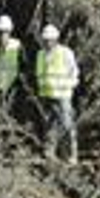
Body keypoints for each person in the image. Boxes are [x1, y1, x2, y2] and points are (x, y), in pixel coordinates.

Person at [35, 23, 80, 164]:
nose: (47, 43)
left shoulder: (65, 53)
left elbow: (74, 72)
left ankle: (70, 155)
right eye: (45, 40)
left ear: (56, 39)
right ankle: (49, 153)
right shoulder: (41, 54)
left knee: (67, 125)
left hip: (63, 95)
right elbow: (40, 75)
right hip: (47, 95)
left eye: (50, 40)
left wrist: (69, 86)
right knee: (50, 125)